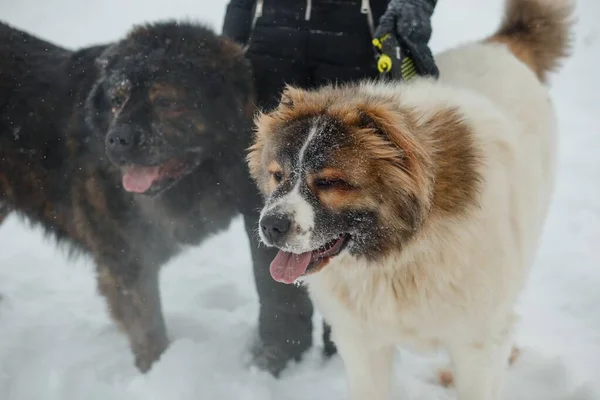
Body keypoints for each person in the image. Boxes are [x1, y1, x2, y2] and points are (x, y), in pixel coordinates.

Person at [222, 0, 439, 377]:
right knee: (273, 186)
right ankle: (282, 334)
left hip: (358, 31)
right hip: (269, 35)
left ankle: (352, 337)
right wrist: (232, 40)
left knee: (352, 194)